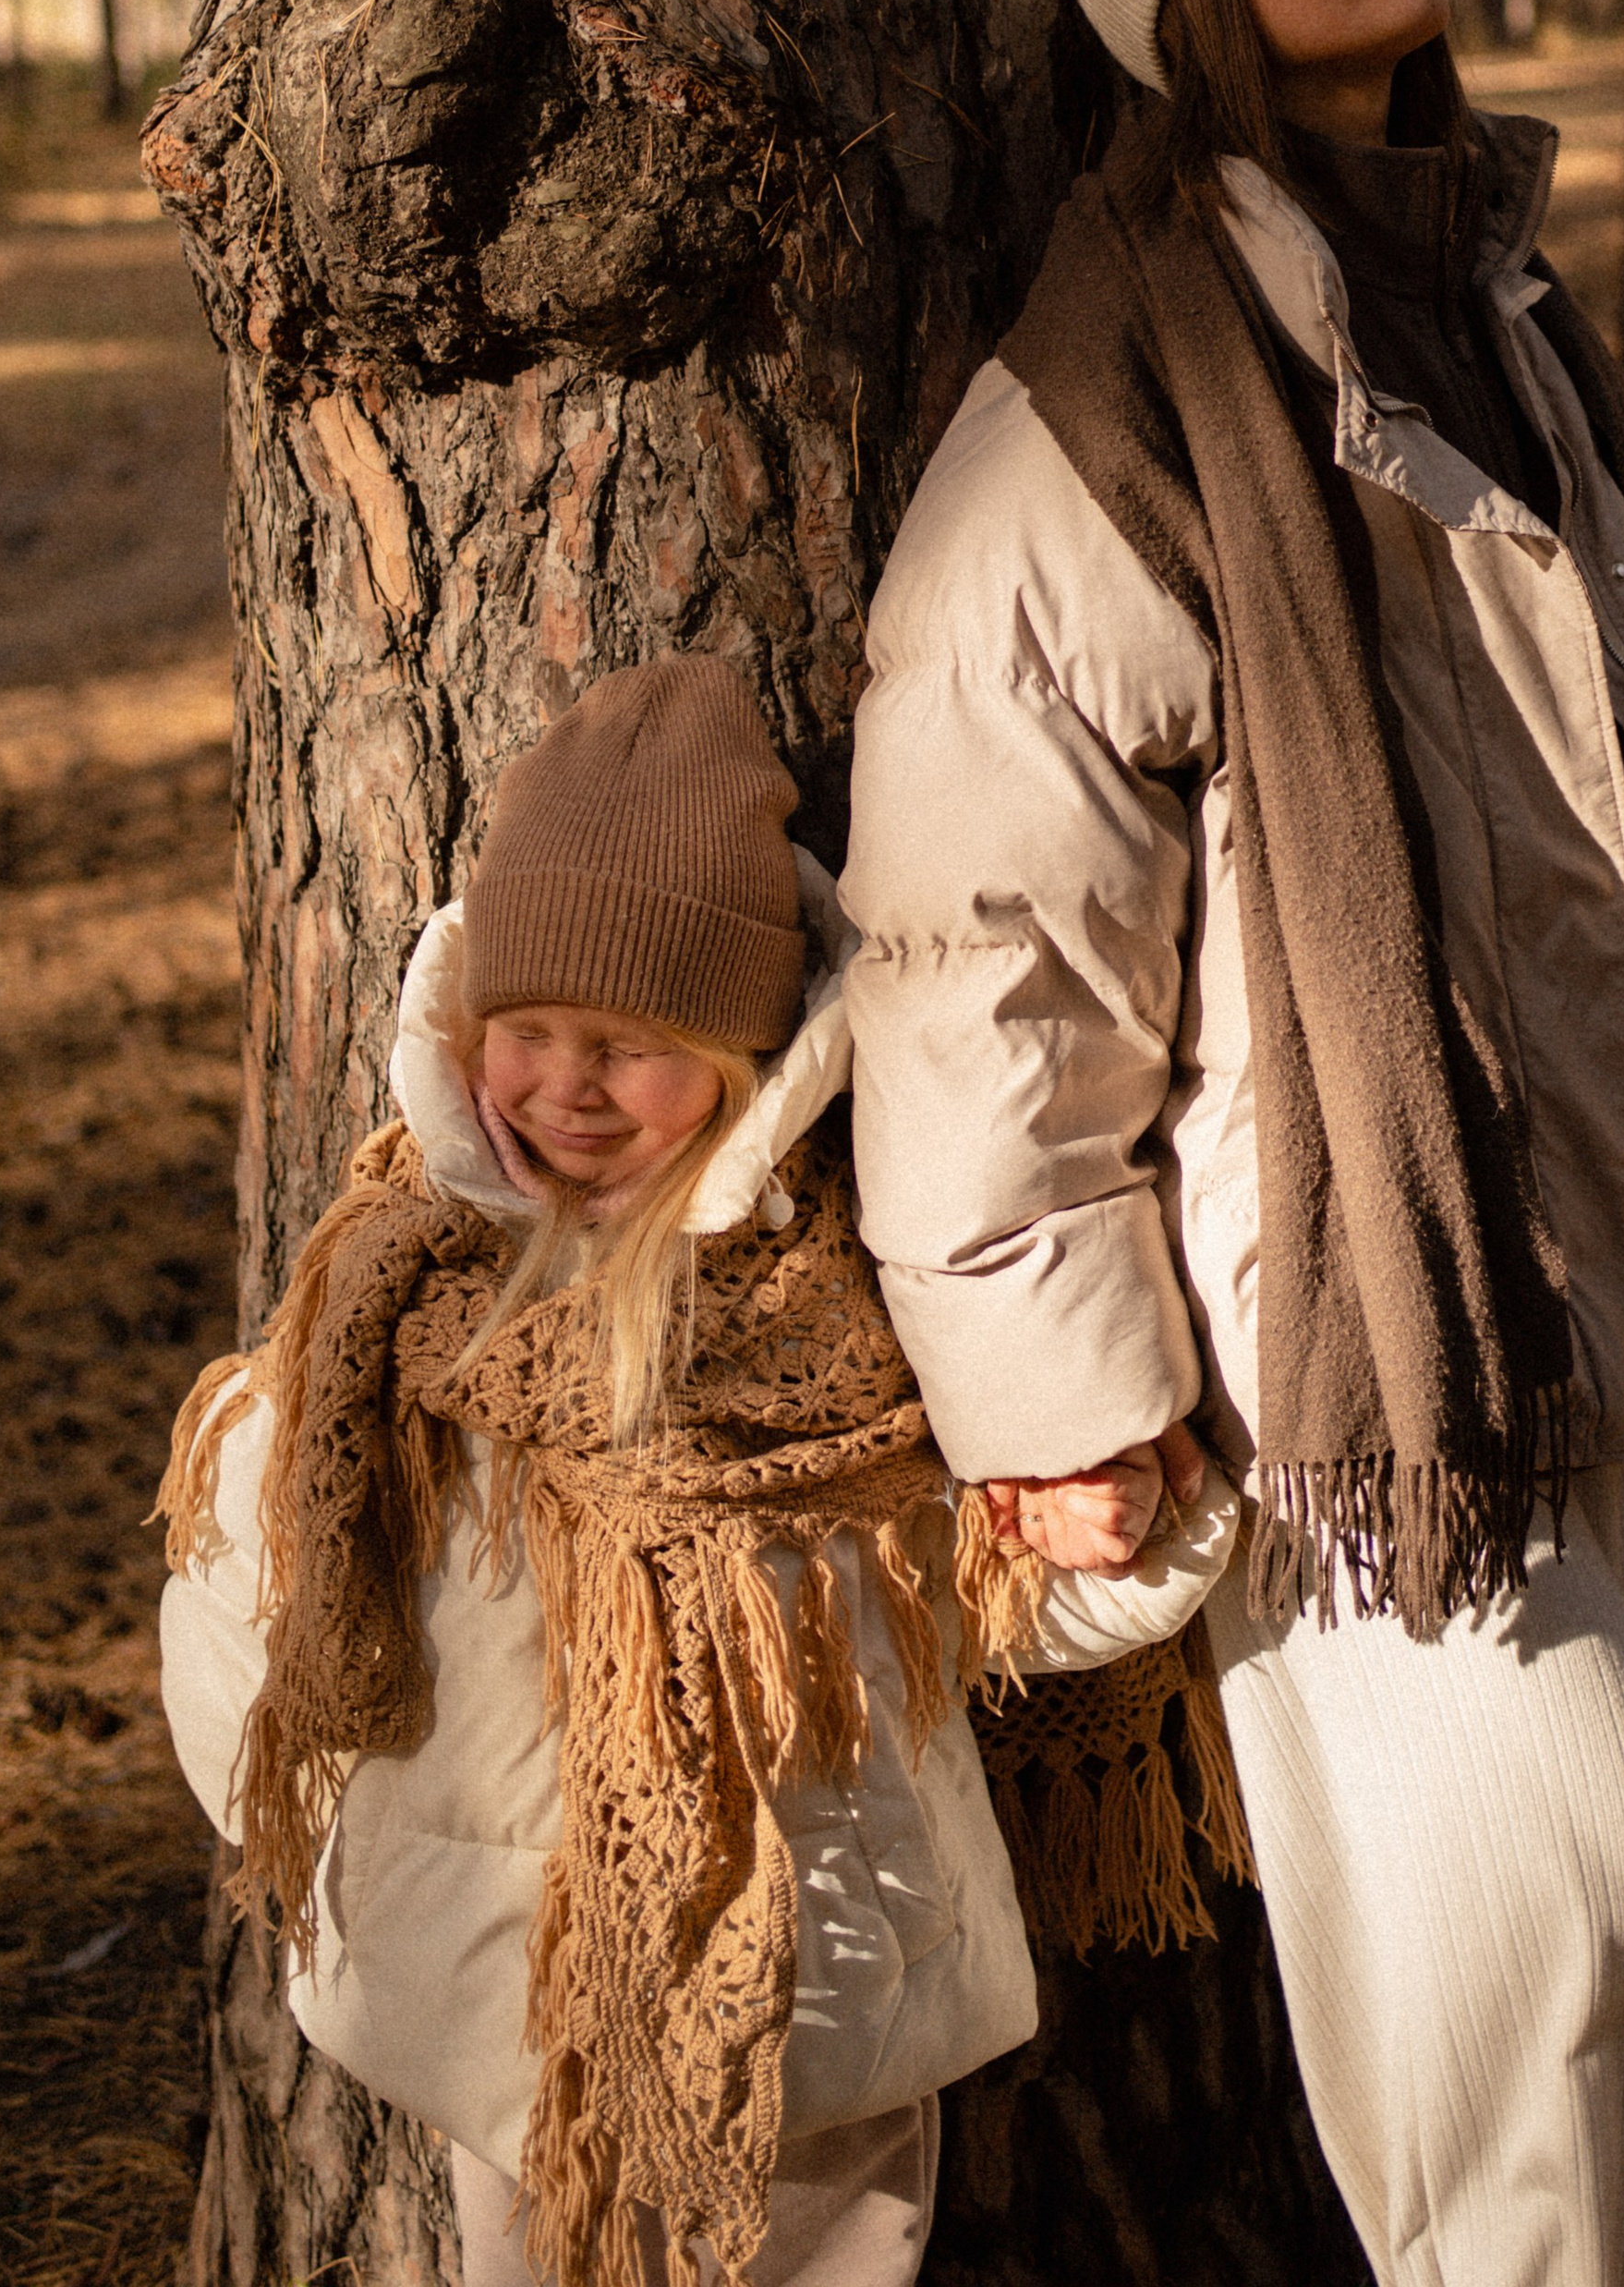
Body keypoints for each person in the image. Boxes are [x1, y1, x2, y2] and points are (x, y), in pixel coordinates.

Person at [842, 0, 1624, 2286]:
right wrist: (1059, 1401)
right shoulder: (1097, 417)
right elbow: (986, 949)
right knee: (1548, 2037)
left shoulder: (1483, 303)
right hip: (1354, 1379)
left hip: (1587, 1294)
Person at [156, 653, 1237, 2287]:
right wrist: (324, 1848)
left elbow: (976, 1610)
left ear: (740, 1060)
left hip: (823, 1979)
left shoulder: (855, 1311)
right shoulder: (384, 1300)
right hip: (499, 2001)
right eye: (529, 1032)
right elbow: (246, 1595)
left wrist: (1105, 1534)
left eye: (633, 1046)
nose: (568, 1087)